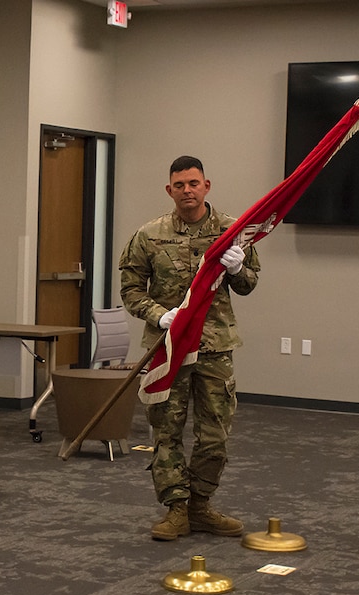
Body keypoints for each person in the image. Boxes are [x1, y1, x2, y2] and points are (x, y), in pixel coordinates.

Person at [119, 155, 260, 542]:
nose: (187, 191)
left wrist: (236, 268)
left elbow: (249, 284)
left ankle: (201, 506)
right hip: (168, 349)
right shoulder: (149, 235)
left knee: (215, 434)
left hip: (215, 347)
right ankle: (175, 510)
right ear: (170, 190)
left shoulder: (234, 232)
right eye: (179, 185)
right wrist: (159, 315)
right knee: (166, 430)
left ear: (206, 186)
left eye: (193, 183)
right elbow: (131, 290)